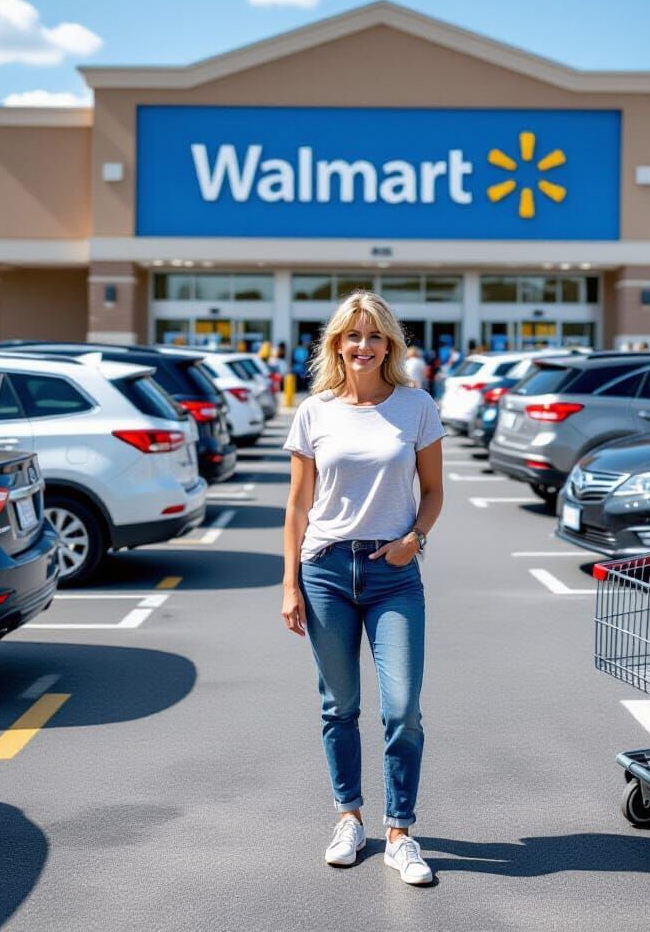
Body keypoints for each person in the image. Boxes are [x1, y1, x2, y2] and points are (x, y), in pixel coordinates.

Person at [281, 290, 445, 886]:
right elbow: (297, 507)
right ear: (336, 344)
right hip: (324, 570)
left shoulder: (417, 406)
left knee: (402, 709)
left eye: (375, 336)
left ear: (390, 345)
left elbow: (433, 492)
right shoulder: (314, 411)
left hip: (393, 574)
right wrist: (289, 585)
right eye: (353, 335)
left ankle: (401, 831)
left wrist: (415, 539)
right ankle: (348, 818)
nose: (363, 346)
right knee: (339, 707)